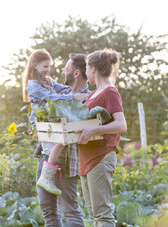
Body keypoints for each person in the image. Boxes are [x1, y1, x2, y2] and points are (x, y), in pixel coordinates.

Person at [34, 53, 90, 226]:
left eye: (67, 67)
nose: (63, 70)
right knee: (48, 210)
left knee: (70, 210)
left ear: (76, 73)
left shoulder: (88, 98)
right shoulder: (63, 93)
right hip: (46, 156)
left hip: (67, 161)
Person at [22, 49, 87, 196]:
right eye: (45, 67)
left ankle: (52, 179)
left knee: (61, 140)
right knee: (59, 142)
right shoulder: (33, 85)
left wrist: (80, 91)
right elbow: (51, 97)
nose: (48, 70)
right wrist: (73, 97)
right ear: (34, 65)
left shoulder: (47, 80)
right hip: (40, 121)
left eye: (49, 67)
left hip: (50, 119)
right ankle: (46, 178)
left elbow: (63, 88)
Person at [76, 48, 127, 227]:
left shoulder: (110, 92)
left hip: (101, 157)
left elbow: (121, 124)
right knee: (94, 213)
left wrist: (93, 131)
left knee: (102, 215)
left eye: (87, 68)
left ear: (93, 69)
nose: (85, 72)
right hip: (87, 158)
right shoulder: (93, 93)